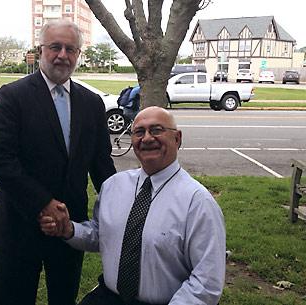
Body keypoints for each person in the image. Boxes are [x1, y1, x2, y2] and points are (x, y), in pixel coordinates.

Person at [0, 19, 116, 305]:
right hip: (19, 226)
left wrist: (120, 208)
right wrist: (43, 203)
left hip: (71, 229)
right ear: (41, 49)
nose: (62, 55)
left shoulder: (92, 103)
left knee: (63, 299)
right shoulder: (12, 96)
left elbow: (102, 166)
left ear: (78, 55)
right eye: (55, 47)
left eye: (71, 49)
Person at [41, 106, 226, 305]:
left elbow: (206, 282)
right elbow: (101, 235)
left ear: (177, 138)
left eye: (156, 130)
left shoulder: (198, 202)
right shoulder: (114, 186)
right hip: (108, 297)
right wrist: (69, 230)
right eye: (139, 132)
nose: (147, 138)